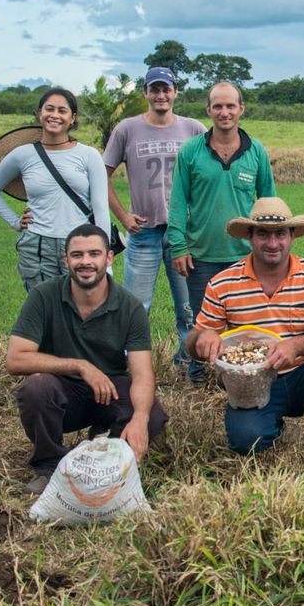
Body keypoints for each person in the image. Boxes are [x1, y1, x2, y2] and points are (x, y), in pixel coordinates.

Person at [188, 197, 304, 479]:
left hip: (303, 376)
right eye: (263, 235)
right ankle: (270, 423)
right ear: (249, 237)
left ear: (292, 236)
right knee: (246, 441)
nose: (273, 243)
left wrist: (296, 345)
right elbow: (195, 339)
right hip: (252, 384)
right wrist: (202, 340)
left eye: (280, 234)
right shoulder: (223, 283)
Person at [6, 224, 169, 494]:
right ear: (66, 260)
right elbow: (15, 360)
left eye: (94, 254)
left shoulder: (129, 306)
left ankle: (105, 453)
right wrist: (80, 366)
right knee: (36, 388)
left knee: (152, 416)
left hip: (110, 388)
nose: (86, 262)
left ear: (108, 258)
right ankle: (48, 465)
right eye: (77, 255)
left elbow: (142, 373)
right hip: (62, 392)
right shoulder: (43, 296)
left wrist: (139, 417)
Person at [168, 81, 276, 382]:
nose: (224, 112)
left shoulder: (255, 152)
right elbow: (177, 201)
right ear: (208, 110)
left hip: (245, 256)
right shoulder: (191, 151)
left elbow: (269, 202)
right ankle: (200, 379)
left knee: (246, 323)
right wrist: (178, 245)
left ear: (241, 109)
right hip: (201, 255)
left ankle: (243, 377)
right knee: (202, 324)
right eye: (218, 106)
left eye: (230, 106)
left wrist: (271, 247)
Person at [102, 66, 206, 377]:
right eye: (154, 89)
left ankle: (188, 365)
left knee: (188, 309)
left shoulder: (194, 129)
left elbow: (211, 172)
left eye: (167, 88)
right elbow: (101, 174)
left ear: (175, 92)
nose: (161, 95)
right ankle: (131, 371)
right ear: (146, 92)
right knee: (136, 308)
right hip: (144, 231)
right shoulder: (127, 129)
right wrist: (122, 215)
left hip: (182, 236)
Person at [0, 87, 111, 292]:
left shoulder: (88, 155)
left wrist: (104, 256)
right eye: (49, 109)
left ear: (72, 118)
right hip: (37, 245)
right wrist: (15, 222)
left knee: (85, 307)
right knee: (44, 310)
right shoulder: (22, 155)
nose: (55, 115)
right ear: (40, 113)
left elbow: (101, 208)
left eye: (62, 111)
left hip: (80, 244)